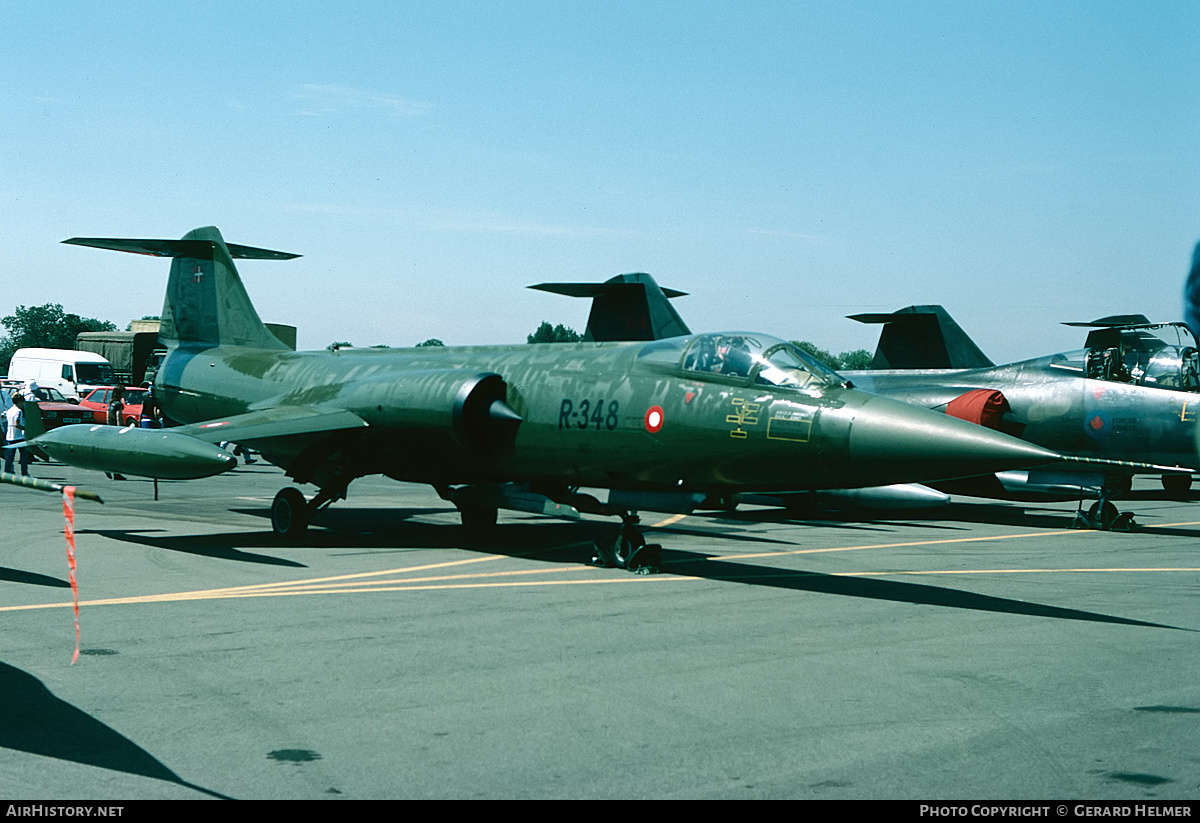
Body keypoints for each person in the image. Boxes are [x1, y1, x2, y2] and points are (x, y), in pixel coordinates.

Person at [4, 393, 30, 476]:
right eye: (22, 402)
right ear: (19, 402)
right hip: (19, 436)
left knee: (10, 456)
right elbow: (17, 424)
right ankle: (24, 472)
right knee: (24, 456)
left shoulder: (10, 410)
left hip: (10, 435)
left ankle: (7, 472)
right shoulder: (18, 411)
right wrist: (26, 428)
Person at [105, 387, 128, 479]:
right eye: (123, 393)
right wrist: (120, 429)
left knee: (111, 452)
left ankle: (108, 468)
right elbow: (119, 417)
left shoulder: (110, 404)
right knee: (117, 453)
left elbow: (107, 417)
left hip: (109, 429)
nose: (124, 395)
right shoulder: (119, 404)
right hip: (115, 430)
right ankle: (116, 473)